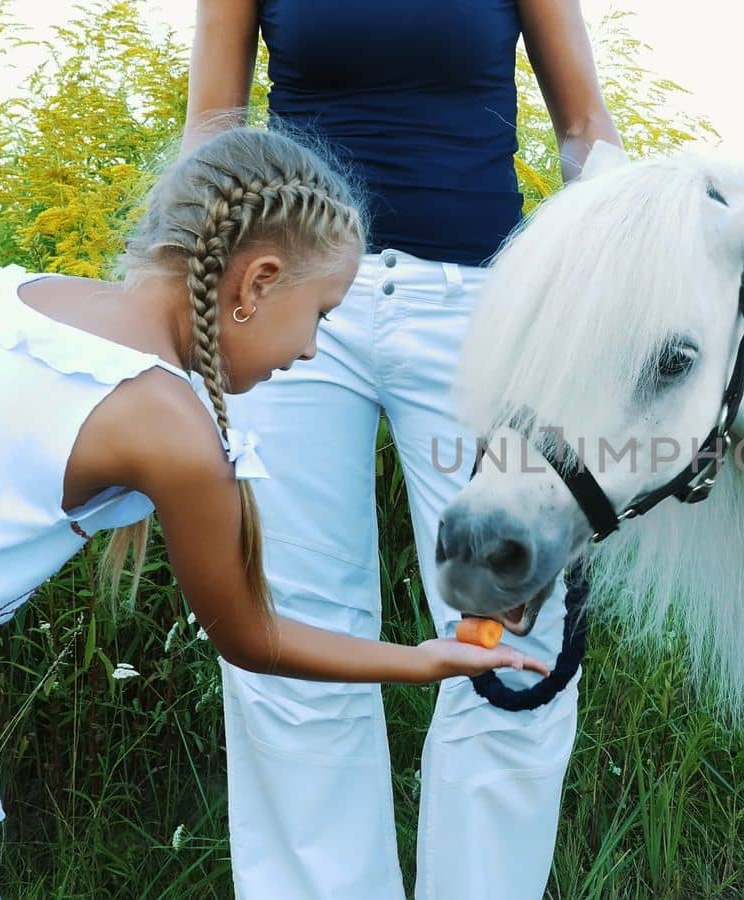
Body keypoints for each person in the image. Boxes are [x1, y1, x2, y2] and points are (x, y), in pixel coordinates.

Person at [0, 126, 547, 900]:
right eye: (321, 313)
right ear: (255, 284)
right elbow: (254, 637)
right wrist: (424, 659)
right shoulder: (169, 424)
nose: (315, 351)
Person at [183, 2, 622, 897]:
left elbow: (583, 129)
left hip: (477, 310)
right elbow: (214, 129)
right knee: (291, 635)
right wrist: (180, 303)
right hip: (286, 297)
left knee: (512, 638)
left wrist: (619, 282)